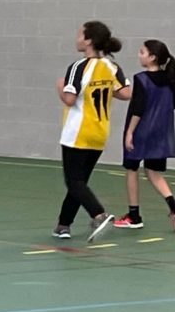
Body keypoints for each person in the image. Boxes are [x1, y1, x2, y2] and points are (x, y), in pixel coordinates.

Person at [54, 21, 131, 242]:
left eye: (80, 34)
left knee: (73, 182)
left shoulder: (79, 66)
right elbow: (126, 93)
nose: (76, 38)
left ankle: (99, 214)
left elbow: (69, 99)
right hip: (99, 132)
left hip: (78, 131)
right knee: (79, 182)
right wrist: (104, 89)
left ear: (88, 40)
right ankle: (63, 225)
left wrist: (60, 86)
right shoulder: (111, 67)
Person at [113, 40, 175, 230]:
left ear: (152, 57)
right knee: (153, 172)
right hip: (161, 132)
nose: (139, 55)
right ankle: (173, 206)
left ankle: (134, 215)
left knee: (132, 169)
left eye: (142, 52)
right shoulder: (170, 79)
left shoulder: (141, 79)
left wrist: (130, 132)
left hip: (142, 131)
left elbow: (138, 109)